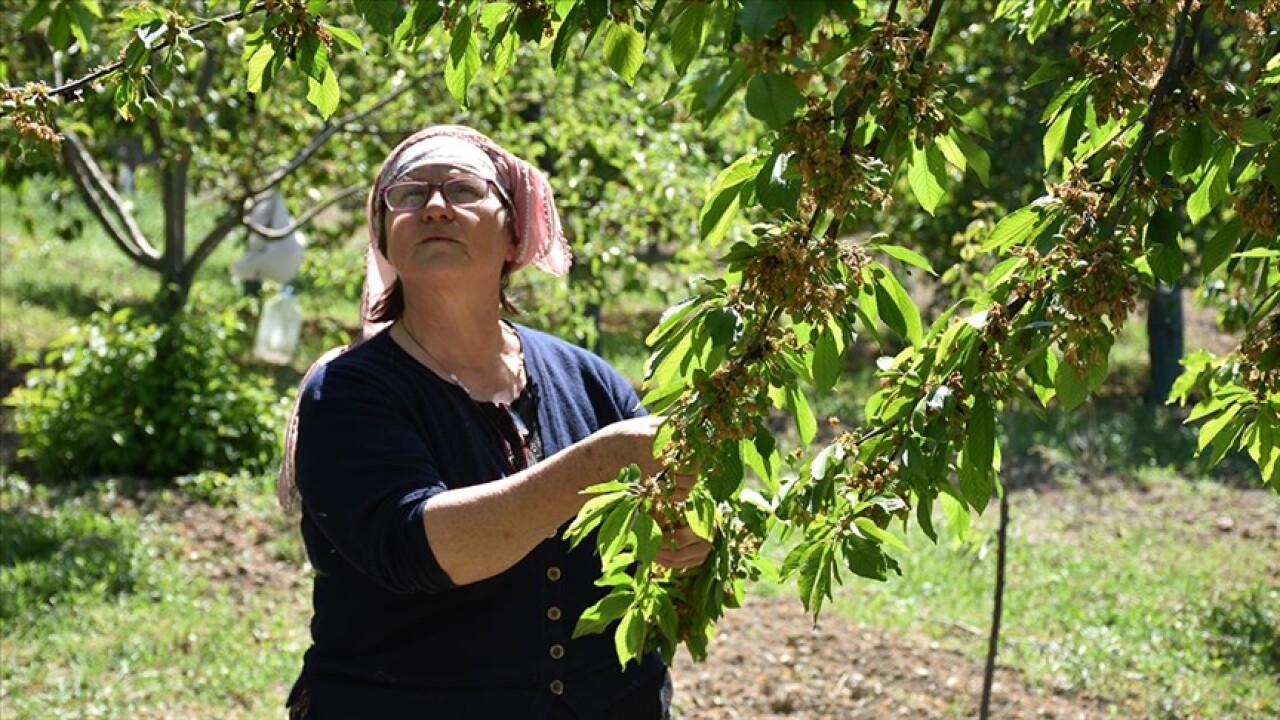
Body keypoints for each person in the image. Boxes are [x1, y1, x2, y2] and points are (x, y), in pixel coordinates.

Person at [277, 125, 711, 719]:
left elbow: (669, 520)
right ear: (383, 236)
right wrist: (599, 462)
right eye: (407, 195)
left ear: (514, 234)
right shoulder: (347, 392)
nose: (433, 205)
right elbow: (415, 550)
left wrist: (689, 534)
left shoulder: (585, 377)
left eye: (462, 189)